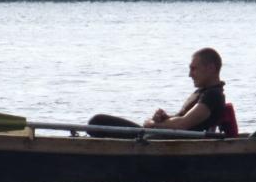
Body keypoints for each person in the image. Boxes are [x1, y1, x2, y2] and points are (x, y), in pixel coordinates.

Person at [88, 47, 227, 136]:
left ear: (211, 68)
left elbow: (183, 124)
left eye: (194, 68)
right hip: (156, 136)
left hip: (163, 141)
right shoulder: (203, 92)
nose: (190, 74)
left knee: (96, 122)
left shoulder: (213, 95)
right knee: (97, 122)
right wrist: (166, 118)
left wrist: (155, 124)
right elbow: (182, 120)